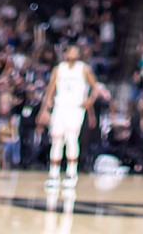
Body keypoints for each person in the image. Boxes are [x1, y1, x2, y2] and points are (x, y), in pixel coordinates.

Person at [39, 42, 99, 189]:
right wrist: (44, 110)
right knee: (57, 140)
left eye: (74, 51)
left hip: (75, 108)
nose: (71, 53)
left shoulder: (83, 69)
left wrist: (90, 101)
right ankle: (53, 174)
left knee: (71, 139)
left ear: (78, 54)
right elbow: (50, 91)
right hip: (60, 107)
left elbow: (96, 87)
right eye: (69, 51)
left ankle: (71, 174)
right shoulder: (58, 69)